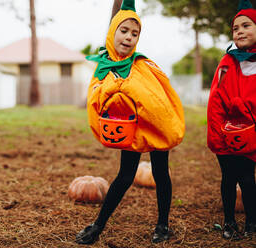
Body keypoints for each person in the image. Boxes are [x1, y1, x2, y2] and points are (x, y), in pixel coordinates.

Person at [75, 0, 185, 245]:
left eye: (135, 33)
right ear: (112, 32)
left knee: (160, 172)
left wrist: (122, 89)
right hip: (129, 128)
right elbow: (97, 98)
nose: (129, 37)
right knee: (125, 176)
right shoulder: (104, 67)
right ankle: (97, 226)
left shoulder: (144, 65)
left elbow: (158, 98)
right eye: (123, 31)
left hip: (156, 126)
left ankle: (162, 225)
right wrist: (118, 88)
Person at [207, 0, 256, 240]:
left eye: (246, 25)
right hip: (226, 133)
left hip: (251, 133)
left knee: (248, 178)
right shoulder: (227, 63)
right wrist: (218, 133)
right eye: (235, 29)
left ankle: (251, 222)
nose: (240, 32)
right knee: (228, 178)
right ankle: (229, 221)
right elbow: (217, 98)